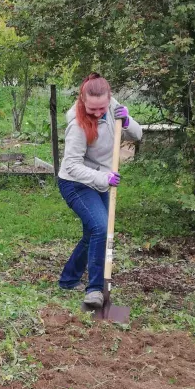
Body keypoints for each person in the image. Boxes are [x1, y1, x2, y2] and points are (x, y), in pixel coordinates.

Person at [56, 73, 142, 308]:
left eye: (101, 108)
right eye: (92, 109)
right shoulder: (77, 125)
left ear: (109, 99)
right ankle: (95, 290)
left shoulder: (113, 109)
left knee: (93, 233)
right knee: (100, 228)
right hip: (75, 183)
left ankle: (68, 279)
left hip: (103, 180)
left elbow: (138, 135)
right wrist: (103, 178)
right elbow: (72, 166)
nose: (97, 113)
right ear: (83, 101)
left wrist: (127, 122)